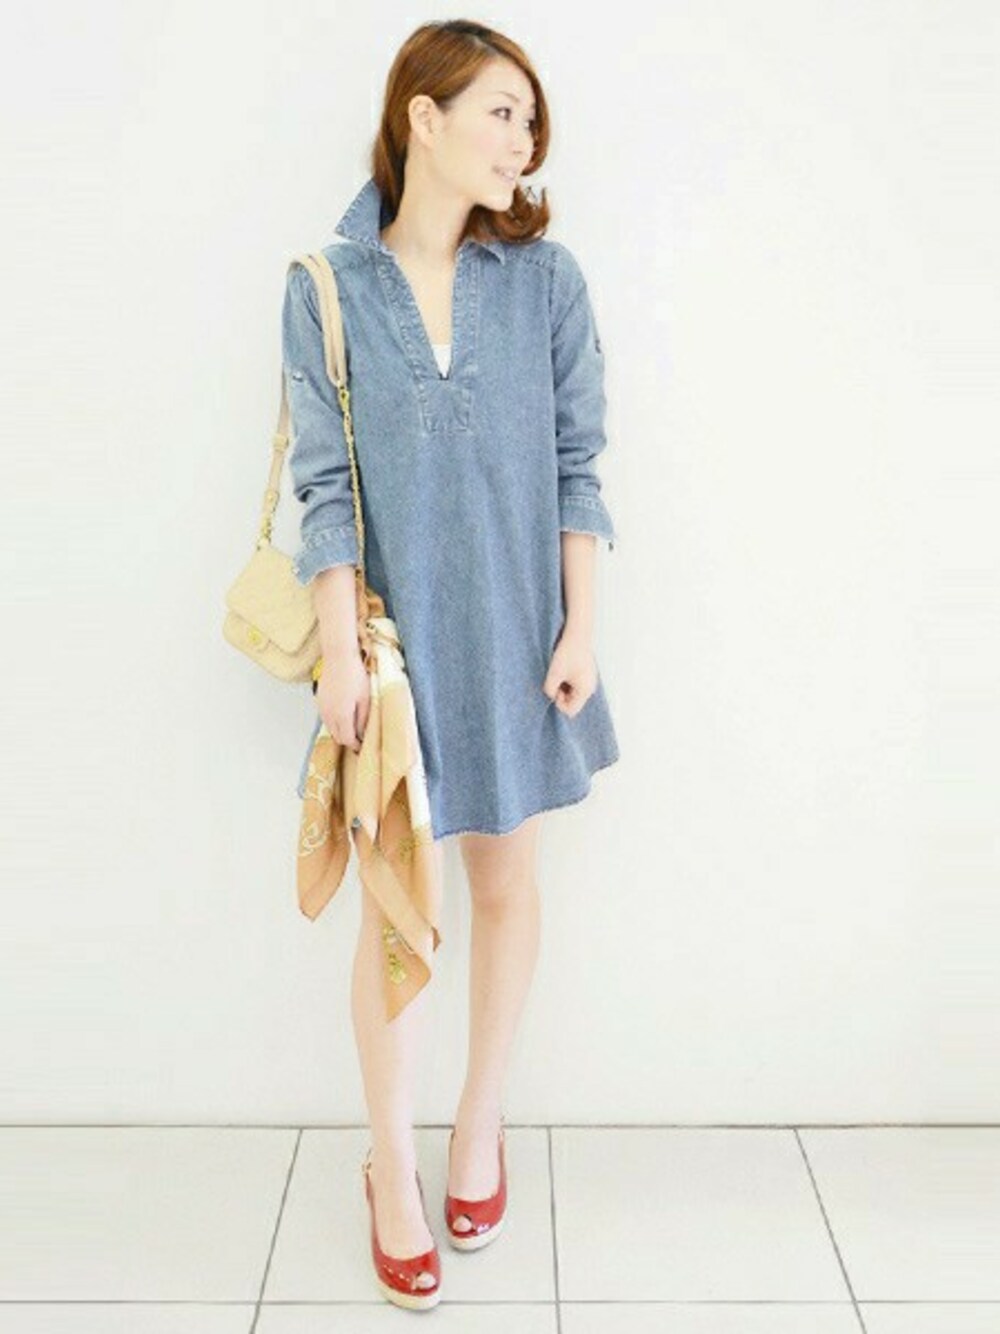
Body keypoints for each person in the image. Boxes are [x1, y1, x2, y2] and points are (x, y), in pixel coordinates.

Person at [281, 18, 620, 1311]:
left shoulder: (546, 282)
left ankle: (480, 1122)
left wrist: (580, 627)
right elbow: (324, 486)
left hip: (525, 640)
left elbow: (578, 462)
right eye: (500, 113)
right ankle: (389, 1166)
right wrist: (337, 653)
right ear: (422, 117)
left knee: (506, 883)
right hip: (394, 659)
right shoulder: (326, 284)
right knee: (397, 913)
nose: (522, 142)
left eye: (531, 122)